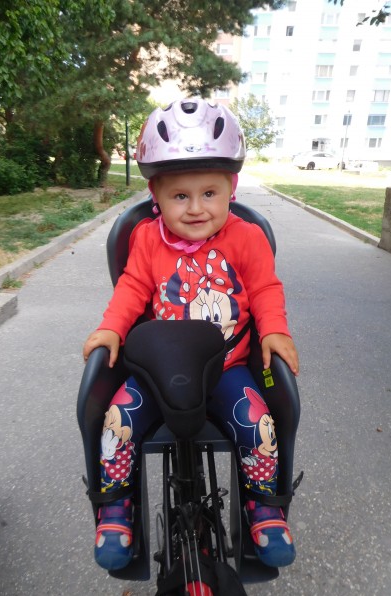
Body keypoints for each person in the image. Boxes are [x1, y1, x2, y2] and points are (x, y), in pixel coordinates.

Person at [83, 98, 300, 572]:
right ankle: (116, 507)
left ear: (231, 189)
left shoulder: (246, 238)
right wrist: (111, 327)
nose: (197, 208)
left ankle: (263, 505)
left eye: (210, 193)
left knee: (258, 424)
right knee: (116, 421)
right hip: (158, 370)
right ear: (156, 195)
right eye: (180, 196)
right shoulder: (146, 238)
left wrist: (274, 332)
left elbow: (266, 288)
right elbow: (131, 288)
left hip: (227, 368)